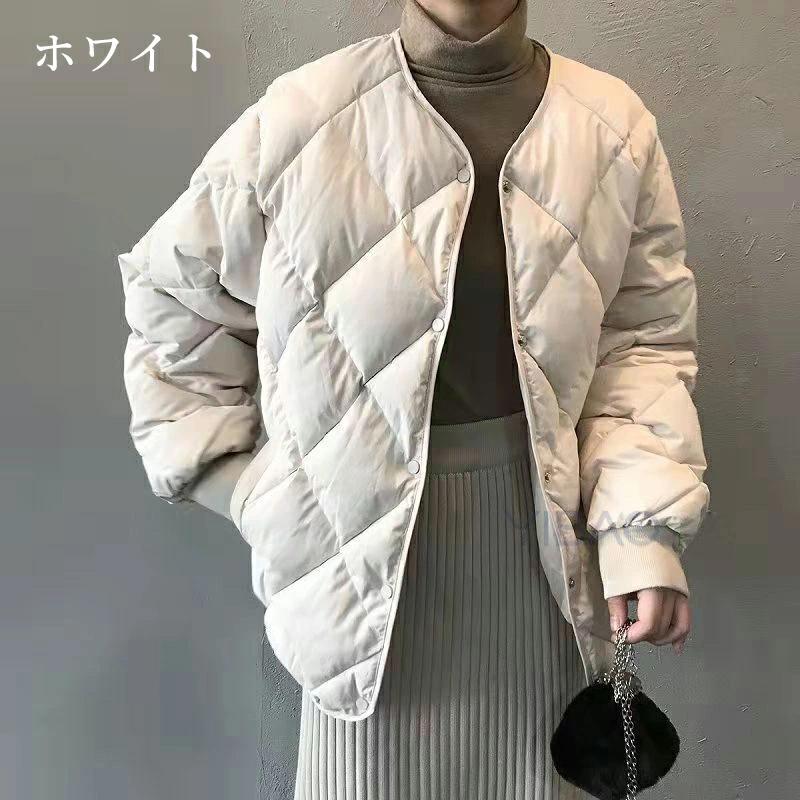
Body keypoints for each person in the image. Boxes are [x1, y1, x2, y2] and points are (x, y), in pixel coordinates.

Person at [117, 0, 710, 797]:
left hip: (545, 563)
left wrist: (641, 533)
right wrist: (259, 497)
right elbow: (172, 310)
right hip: (354, 585)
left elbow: (640, 348)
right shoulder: (301, 118)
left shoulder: (612, 126)